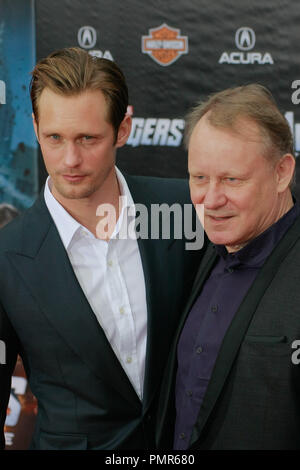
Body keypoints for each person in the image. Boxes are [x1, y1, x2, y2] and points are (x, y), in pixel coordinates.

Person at [0, 47, 202, 450]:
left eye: (88, 138)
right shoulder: (7, 256)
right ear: (36, 126)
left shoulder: (186, 209)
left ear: (123, 129)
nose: (69, 160)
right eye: (54, 137)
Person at [156, 84, 300, 450]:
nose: (211, 199)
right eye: (199, 178)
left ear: (282, 173)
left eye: (232, 179)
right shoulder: (202, 250)